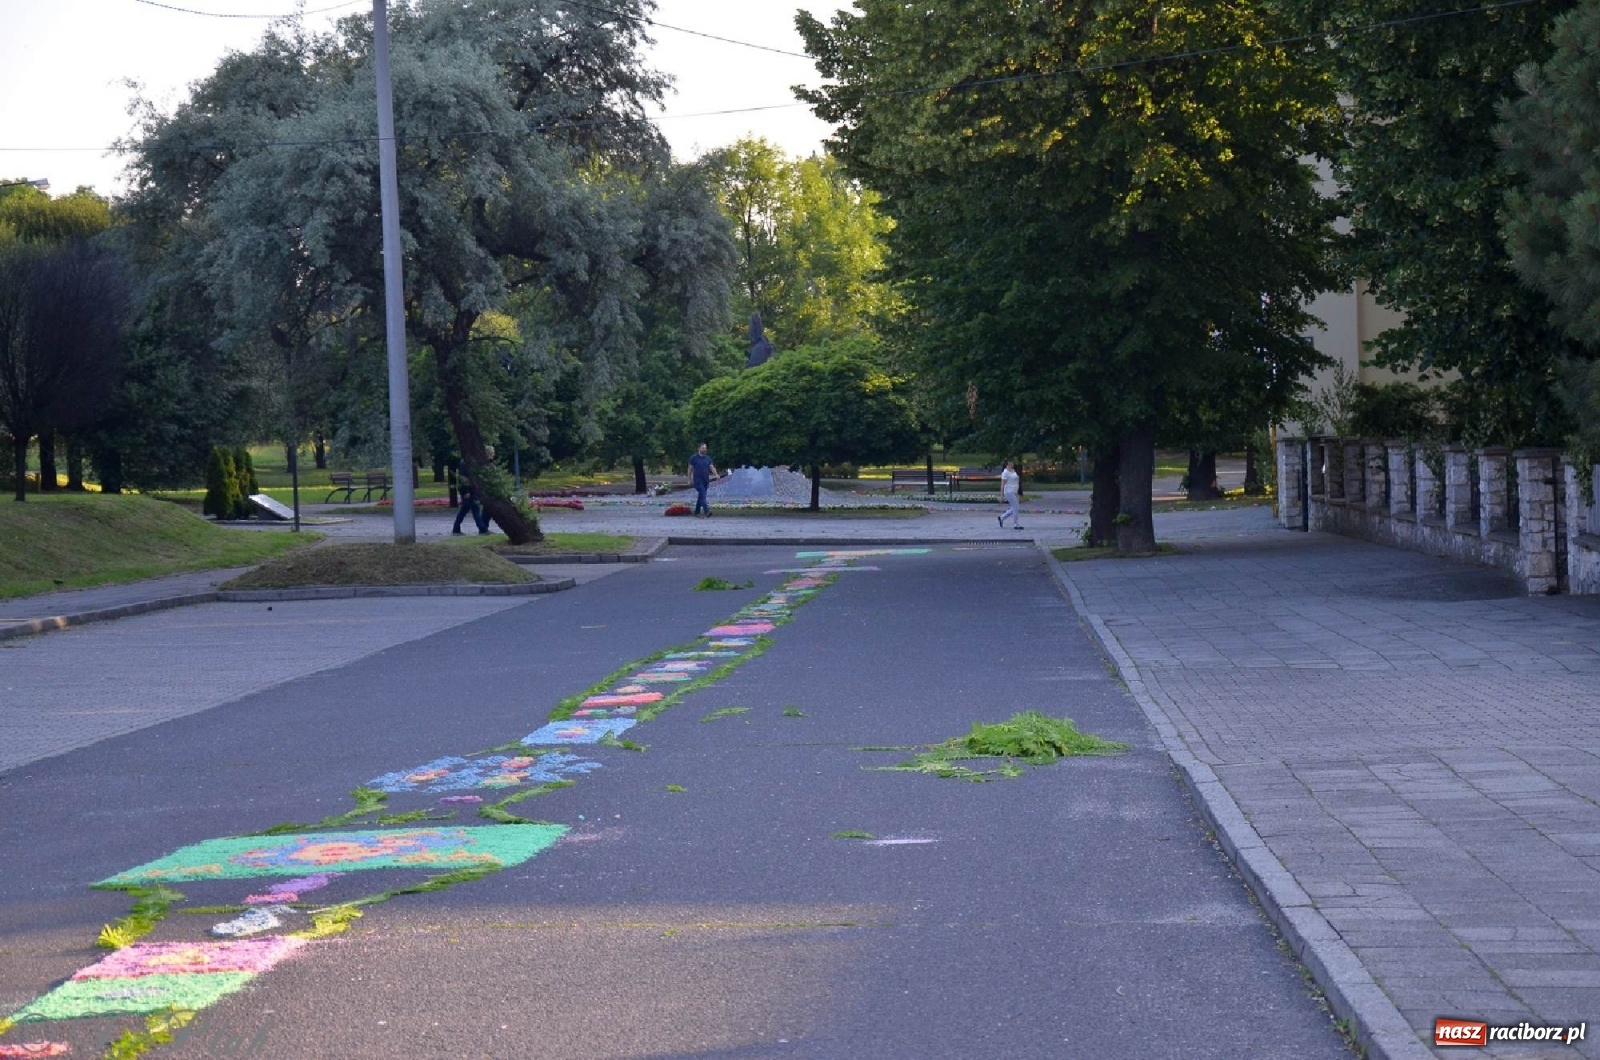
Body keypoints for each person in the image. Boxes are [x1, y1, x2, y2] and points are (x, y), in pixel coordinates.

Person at [452, 445, 496, 535]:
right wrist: (466, 491)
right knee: (474, 508)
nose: (493, 455)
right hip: (469, 489)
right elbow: (464, 477)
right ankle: (482, 529)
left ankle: (457, 528)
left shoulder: (478, 461)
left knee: (465, 509)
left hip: (473, 489)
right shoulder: (467, 462)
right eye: (491, 453)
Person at [688, 442, 718, 517]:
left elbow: (712, 467)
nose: (705, 449)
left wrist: (716, 474)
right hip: (697, 480)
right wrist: (689, 479)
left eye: (705, 448)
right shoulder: (693, 458)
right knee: (703, 495)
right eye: (703, 448)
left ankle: (696, 511)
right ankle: (706, 511)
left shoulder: (708, 458)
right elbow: (690, 469)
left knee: (701, 496)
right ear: (699, 449)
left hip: (706, 480)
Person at [998, 460, 1024, 530]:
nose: (1013, 463)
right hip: (1009, 492)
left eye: (1013, 462)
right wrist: (1002, 496)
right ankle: (1016, 524)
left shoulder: (1013, 470)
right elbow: (1002, 485)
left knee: (1015, 507)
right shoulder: (1005, 473)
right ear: (1007, 463)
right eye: (1011, 462)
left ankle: (1002, 517)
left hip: (1014, 491)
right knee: (1016, 507)